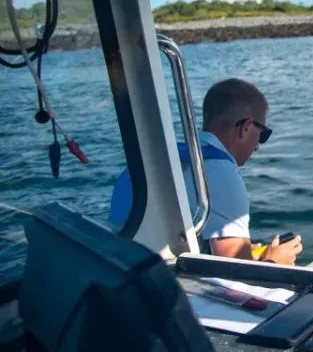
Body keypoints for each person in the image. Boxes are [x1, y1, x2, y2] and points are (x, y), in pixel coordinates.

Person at [109, 78, 302, 265]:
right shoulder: (220, 171)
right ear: (246, 127)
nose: (257, 147)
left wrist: (242, 251)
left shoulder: (165, 159)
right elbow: (239, 279)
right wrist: (275, 261)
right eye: (263, 135)